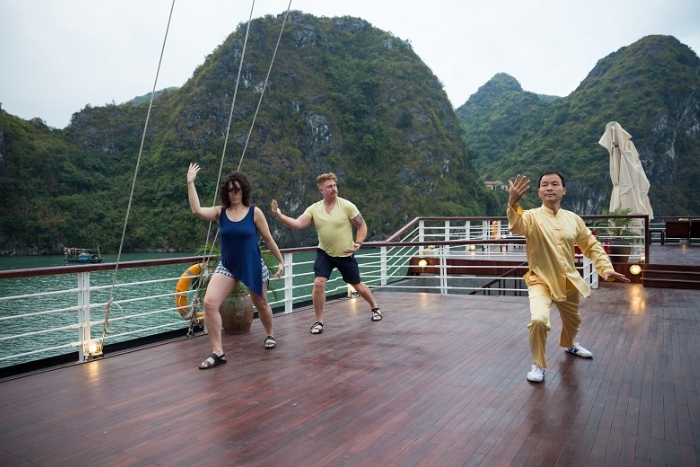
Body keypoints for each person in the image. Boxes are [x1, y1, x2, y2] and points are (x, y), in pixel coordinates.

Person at [507, 170, 630, 383]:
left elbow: (590, 245)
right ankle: (538, 364)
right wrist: (512, 204)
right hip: (540, 280)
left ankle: (570, 344)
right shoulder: (531, 217)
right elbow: (517, 225)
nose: (549, 188)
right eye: (545, 185)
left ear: (564, 190)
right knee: (538, 320)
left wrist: (605, 268)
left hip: (568, 280)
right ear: (538, 192)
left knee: (573, 320)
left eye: (555, 184)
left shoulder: (573, 219)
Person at [187, 163, 284, 369]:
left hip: (252, 263)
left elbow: (268, 239)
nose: (234, 193)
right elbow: (196, 210)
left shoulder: (254, 212)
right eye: (230, 190)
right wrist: (190, 182)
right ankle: (217, 352)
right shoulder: (220, 212)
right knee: (210, 303)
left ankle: (270, 333)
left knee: (261, 304)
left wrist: (281, 261)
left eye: (237, 189)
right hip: (228, 265)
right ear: (226, 192)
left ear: (244, 190)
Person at [271, 172, 381, 334]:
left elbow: (362, 226)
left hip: (345, 254)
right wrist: (279, 215)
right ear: (321, 190)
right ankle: (318, 321)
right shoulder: (315, 209)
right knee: (318, 283)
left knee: (358, 285)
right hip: (325, 253)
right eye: (329, 186)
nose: (334, 189)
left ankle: (375, 307)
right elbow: (297, 224)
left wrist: (357, 244)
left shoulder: (347, 206)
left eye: (335, 186)